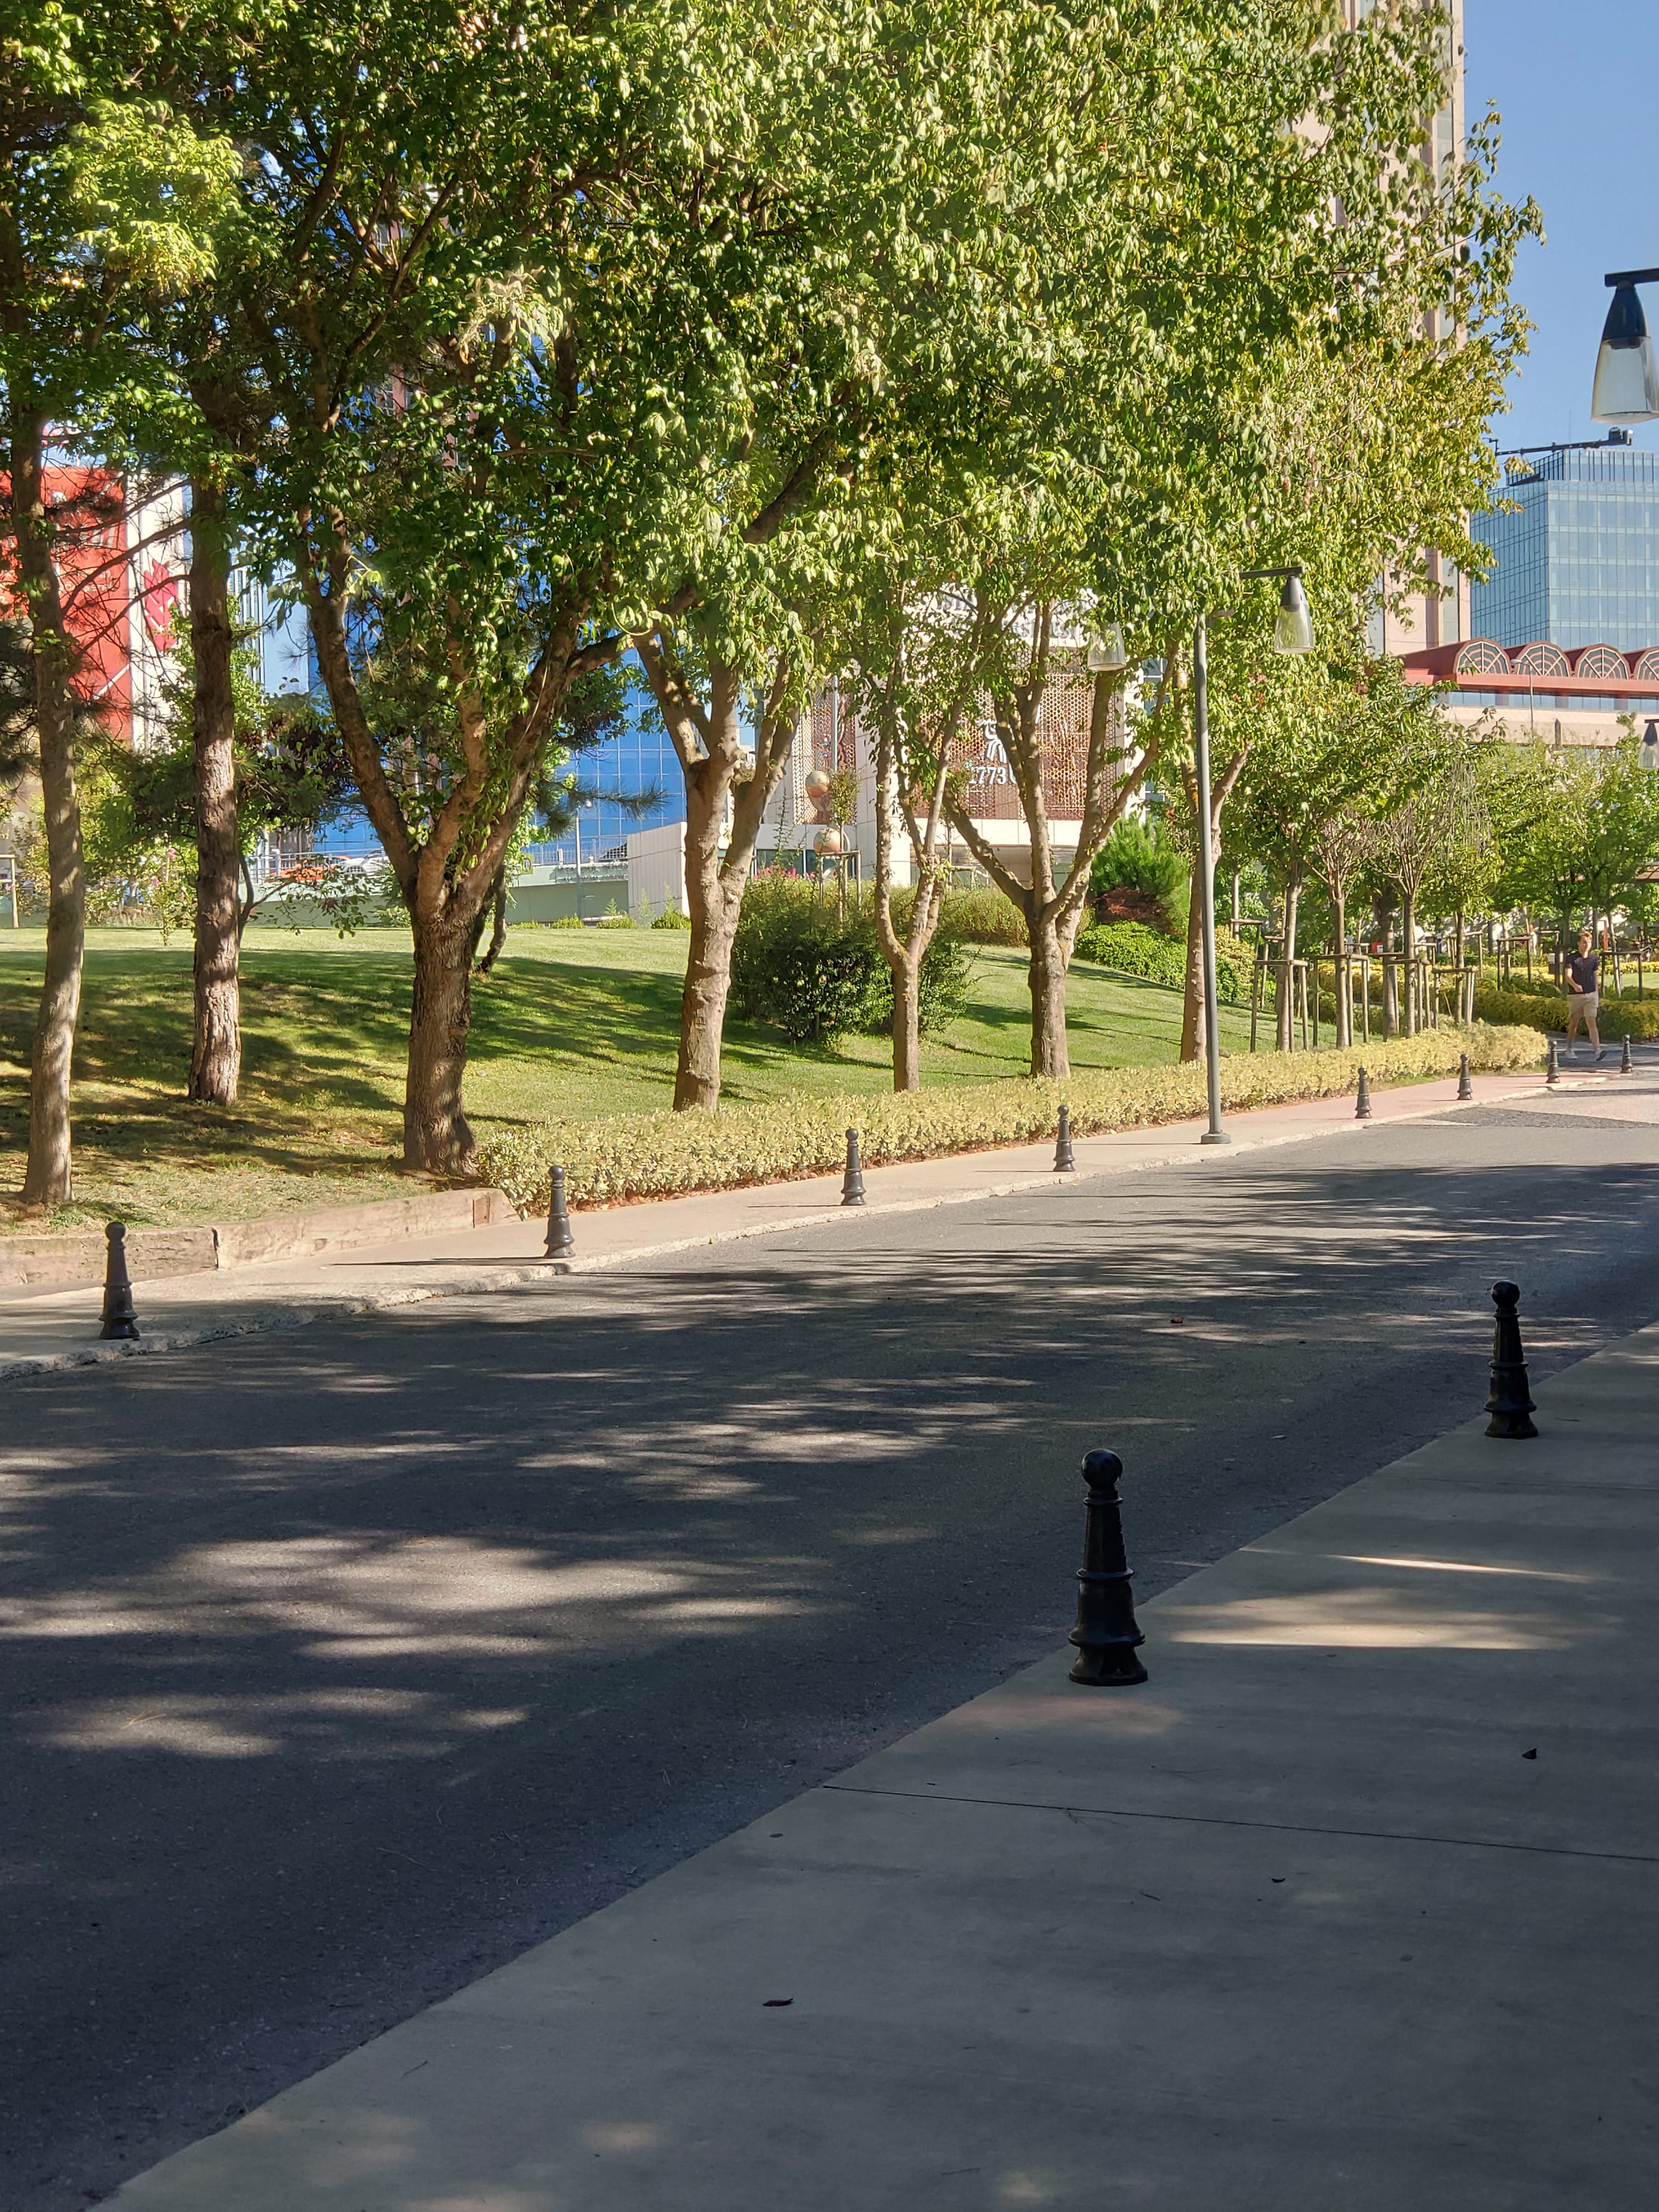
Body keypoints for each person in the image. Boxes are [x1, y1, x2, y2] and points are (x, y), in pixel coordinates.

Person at [1564, 928, 1604, 1062]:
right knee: (1574, 1022)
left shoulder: (1594, 958)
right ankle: (1569, 1048)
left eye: (1589, 942)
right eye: (1584, 942)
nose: (1587, 945)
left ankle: (1597, 1050)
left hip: (1591, 995)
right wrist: (1575, 985)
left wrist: (1596, 991)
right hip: (1576, 996)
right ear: (1579, 944)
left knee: (1591, 1021)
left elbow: (1595, 975)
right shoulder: (1572, 958)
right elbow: (1568, 976)